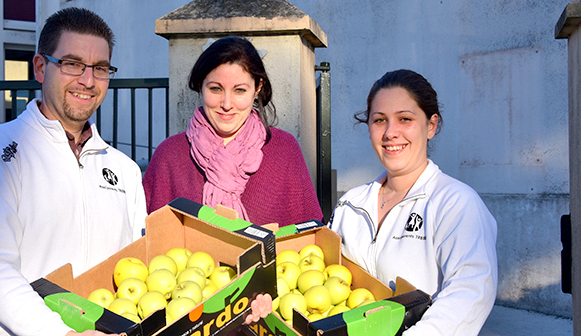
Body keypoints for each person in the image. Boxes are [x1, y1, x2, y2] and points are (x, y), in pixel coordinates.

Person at [0, 8, 146, 336]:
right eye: (72, 64)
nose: (87, 81)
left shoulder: (124, 170)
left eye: (100, 68)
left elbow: (135, 270)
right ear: (41, 67)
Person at [328, 69, 498, 335]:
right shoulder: (350, 205)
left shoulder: (455, 203)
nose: (390, 133)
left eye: (405, 119)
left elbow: (471, 292)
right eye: (379, 120)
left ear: (431, 126)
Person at [143, 36, 323, 227]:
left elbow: (308, 235)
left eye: (239, 90)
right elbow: (151, 239)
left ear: (257, 88)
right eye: (215, 89)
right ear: (200, 86)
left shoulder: (284, 150)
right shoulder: (169, 155)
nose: (227, 104)